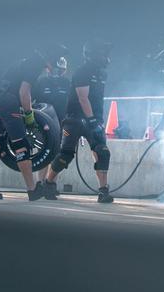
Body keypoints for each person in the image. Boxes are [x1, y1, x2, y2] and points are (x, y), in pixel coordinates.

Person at [42, 40, 114, 203]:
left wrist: (97, 121)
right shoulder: (82, 72)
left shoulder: (102, 73)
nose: (106, 57)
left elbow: (97, 99)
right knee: (65, 155)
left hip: (94, 119)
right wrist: (92, 120)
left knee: (102, 152)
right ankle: (49, 183)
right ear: (94, 55)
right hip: (74, 119)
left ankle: (103, 191)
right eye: (103, 53)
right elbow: (83, 98)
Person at [0, 52, 51, 200]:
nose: (47, 70)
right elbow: (24, 92)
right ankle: (32, 191)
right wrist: (29, 116)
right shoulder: (36, 64)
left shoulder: (22, 62)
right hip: (7, 100)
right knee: (21, 145)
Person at [33, 46, 70, 184]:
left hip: (61, 123)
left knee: (57, 155)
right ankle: (39, 183)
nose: (57, 72)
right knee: (44, 152)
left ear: (64, 70)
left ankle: (51, 183)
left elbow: (72, 102)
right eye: (55, 69)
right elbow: (32, 102)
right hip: (44, 125)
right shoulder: (40, 82)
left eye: (60, 69)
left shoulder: (67, 83)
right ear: (48, 69)